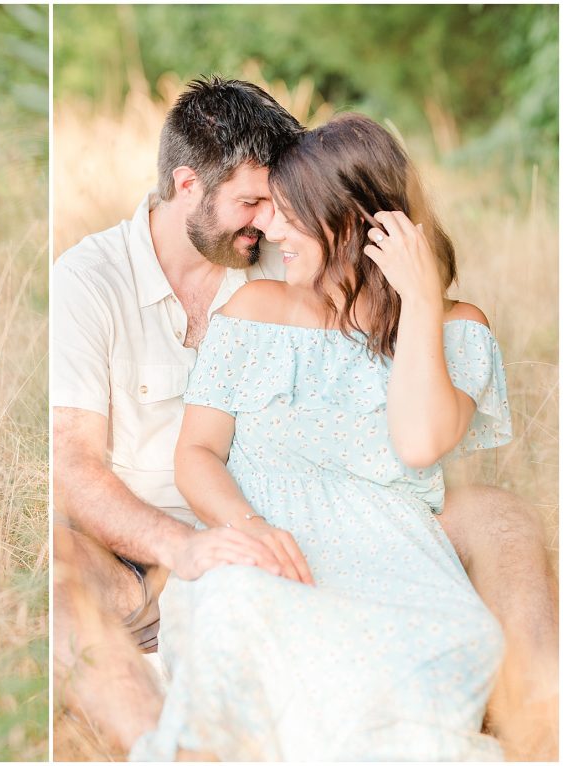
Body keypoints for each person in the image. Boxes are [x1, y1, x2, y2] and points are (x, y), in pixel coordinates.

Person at [52, 77, 557, 758]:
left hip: (359, 539)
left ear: (347, 221)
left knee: (495, 537)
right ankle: (167, 742)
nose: (268, 227)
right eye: (257, 203)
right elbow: (85, 463)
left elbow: (415, 442)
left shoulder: (278, 270)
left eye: (282, 207)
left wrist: (419, 297)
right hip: (169, 546)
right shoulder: (99, 281)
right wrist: (209, 539)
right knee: (67, 576)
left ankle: (538, 713)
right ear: (187, 186)